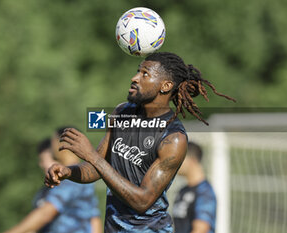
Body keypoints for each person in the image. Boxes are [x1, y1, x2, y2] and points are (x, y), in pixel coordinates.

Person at [45, 52, 235, 232]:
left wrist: (91, 156)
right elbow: (95, 169)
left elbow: (142, 201)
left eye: (145, 74)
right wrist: (69, 172)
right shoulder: (122, 113)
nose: (135, 78)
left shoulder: (173, 138)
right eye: (138, 71)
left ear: (165, 86)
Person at [4, 128, 102, 233]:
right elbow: (95, 219)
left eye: (53, 143)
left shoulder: (71, 175)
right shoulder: (81, 174)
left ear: (62, 144)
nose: (51, 148)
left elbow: (46, 213)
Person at [172, 142, 217, 233]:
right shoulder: (182, 191)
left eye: (179, 158)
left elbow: (201, 229)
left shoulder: (205, 192)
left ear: (192, 160)